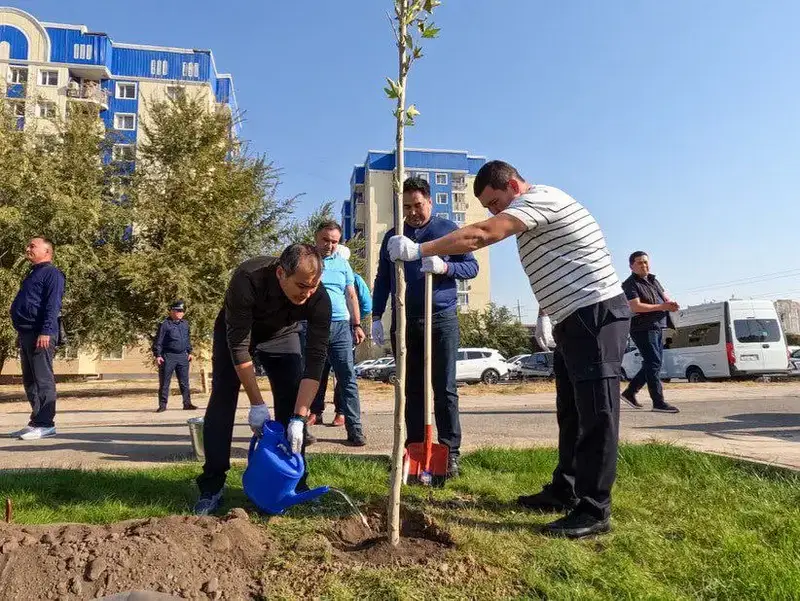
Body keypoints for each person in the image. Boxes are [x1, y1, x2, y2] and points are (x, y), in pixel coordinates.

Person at [388, 161, 630, 538]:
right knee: (571, 412)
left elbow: (481, 236)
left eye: (495, 201)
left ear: (514, 185)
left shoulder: (541, 199)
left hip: (596, 315)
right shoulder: (527, 211)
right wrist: (546, 314)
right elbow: (558, 266)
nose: (493, 211)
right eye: (488, 206)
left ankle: (595, 508)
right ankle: (566, 489)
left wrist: (420, 250)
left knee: (597, 413)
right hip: (571, 319)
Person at [194, 244, 332, 515]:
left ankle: (294, 482)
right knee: (223, 395)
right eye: (301, 286)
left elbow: (315, 363)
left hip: (282, 334)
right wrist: (257, 404)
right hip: (236, 333)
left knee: (291, 395)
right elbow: (239, 348)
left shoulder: (318, 298)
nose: (307, 293)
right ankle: (212, 485)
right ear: (281, 273)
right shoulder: (248, 278)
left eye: (313, 287)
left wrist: (299, 418)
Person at [374, 176, 479, 478]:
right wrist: (377, 315)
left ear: (429, 201)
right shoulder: (394, 236)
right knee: (411, 389)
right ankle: (415, 449)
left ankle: (450, 452)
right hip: (405, 321)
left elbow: (471, 267)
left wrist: (446, 267)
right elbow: (384, 278)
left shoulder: (448, 230)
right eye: (406, 207)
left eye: (417, 205)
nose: (412, 212)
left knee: (444, 388)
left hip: (441, 318)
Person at [311, 221, 367, 446]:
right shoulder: (306, 259)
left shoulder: (343, 264)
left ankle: (355, 430)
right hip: (313, 326)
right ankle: (300, 426)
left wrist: (357, 324)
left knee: (348, 379)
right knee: (310, 377)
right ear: (316, 238)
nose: (330, 245)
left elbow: (351, 295)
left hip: (341, 327)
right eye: (326, 240)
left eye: (334, 241)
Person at [9, 237, 66, 441]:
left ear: (47, 251)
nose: (27, 248)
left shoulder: (52, 274)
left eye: (32, 246)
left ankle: (46, 424)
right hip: (26, 333)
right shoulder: (33, 273)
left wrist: (46, 331)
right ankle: (35, 421)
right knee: (30, 381)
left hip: (41, 333)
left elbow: (53, 305)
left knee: (43, 379)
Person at [621, 252, 680, 413]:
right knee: (653, 362)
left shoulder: (653, 280)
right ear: (631, 266)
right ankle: (658, 402)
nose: (644, 265)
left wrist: (670, 304)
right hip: (642, 328)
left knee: (653, 363)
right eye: (639, 263)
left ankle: (630, 392)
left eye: (646, 262)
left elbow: (664, 298)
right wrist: (662, 307)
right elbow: (635, 307)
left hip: (657, 325)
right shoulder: (630, 284)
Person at [152, 300, 198, 412]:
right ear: (172, 311)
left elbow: (187, 339)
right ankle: (162, 406)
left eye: (182, 311)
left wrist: (189, 352)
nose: (180, 313)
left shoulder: (185, 324)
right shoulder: (164, 325)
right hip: (168, 356)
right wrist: (158, 355)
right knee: (165, 382)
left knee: (184, 382)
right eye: (178, 311)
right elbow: (158, 341)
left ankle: (187, 404)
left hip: (183, 356)